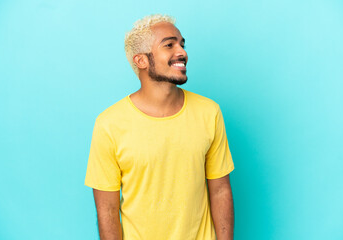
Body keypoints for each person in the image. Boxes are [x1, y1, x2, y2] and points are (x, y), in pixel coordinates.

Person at [85, 14, 235, 240]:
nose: (182, 52)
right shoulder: (109, 124)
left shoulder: (209, 112)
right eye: (169, 45)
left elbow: (221, 190)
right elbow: (106, 209)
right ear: (141, 60)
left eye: (182, 44)